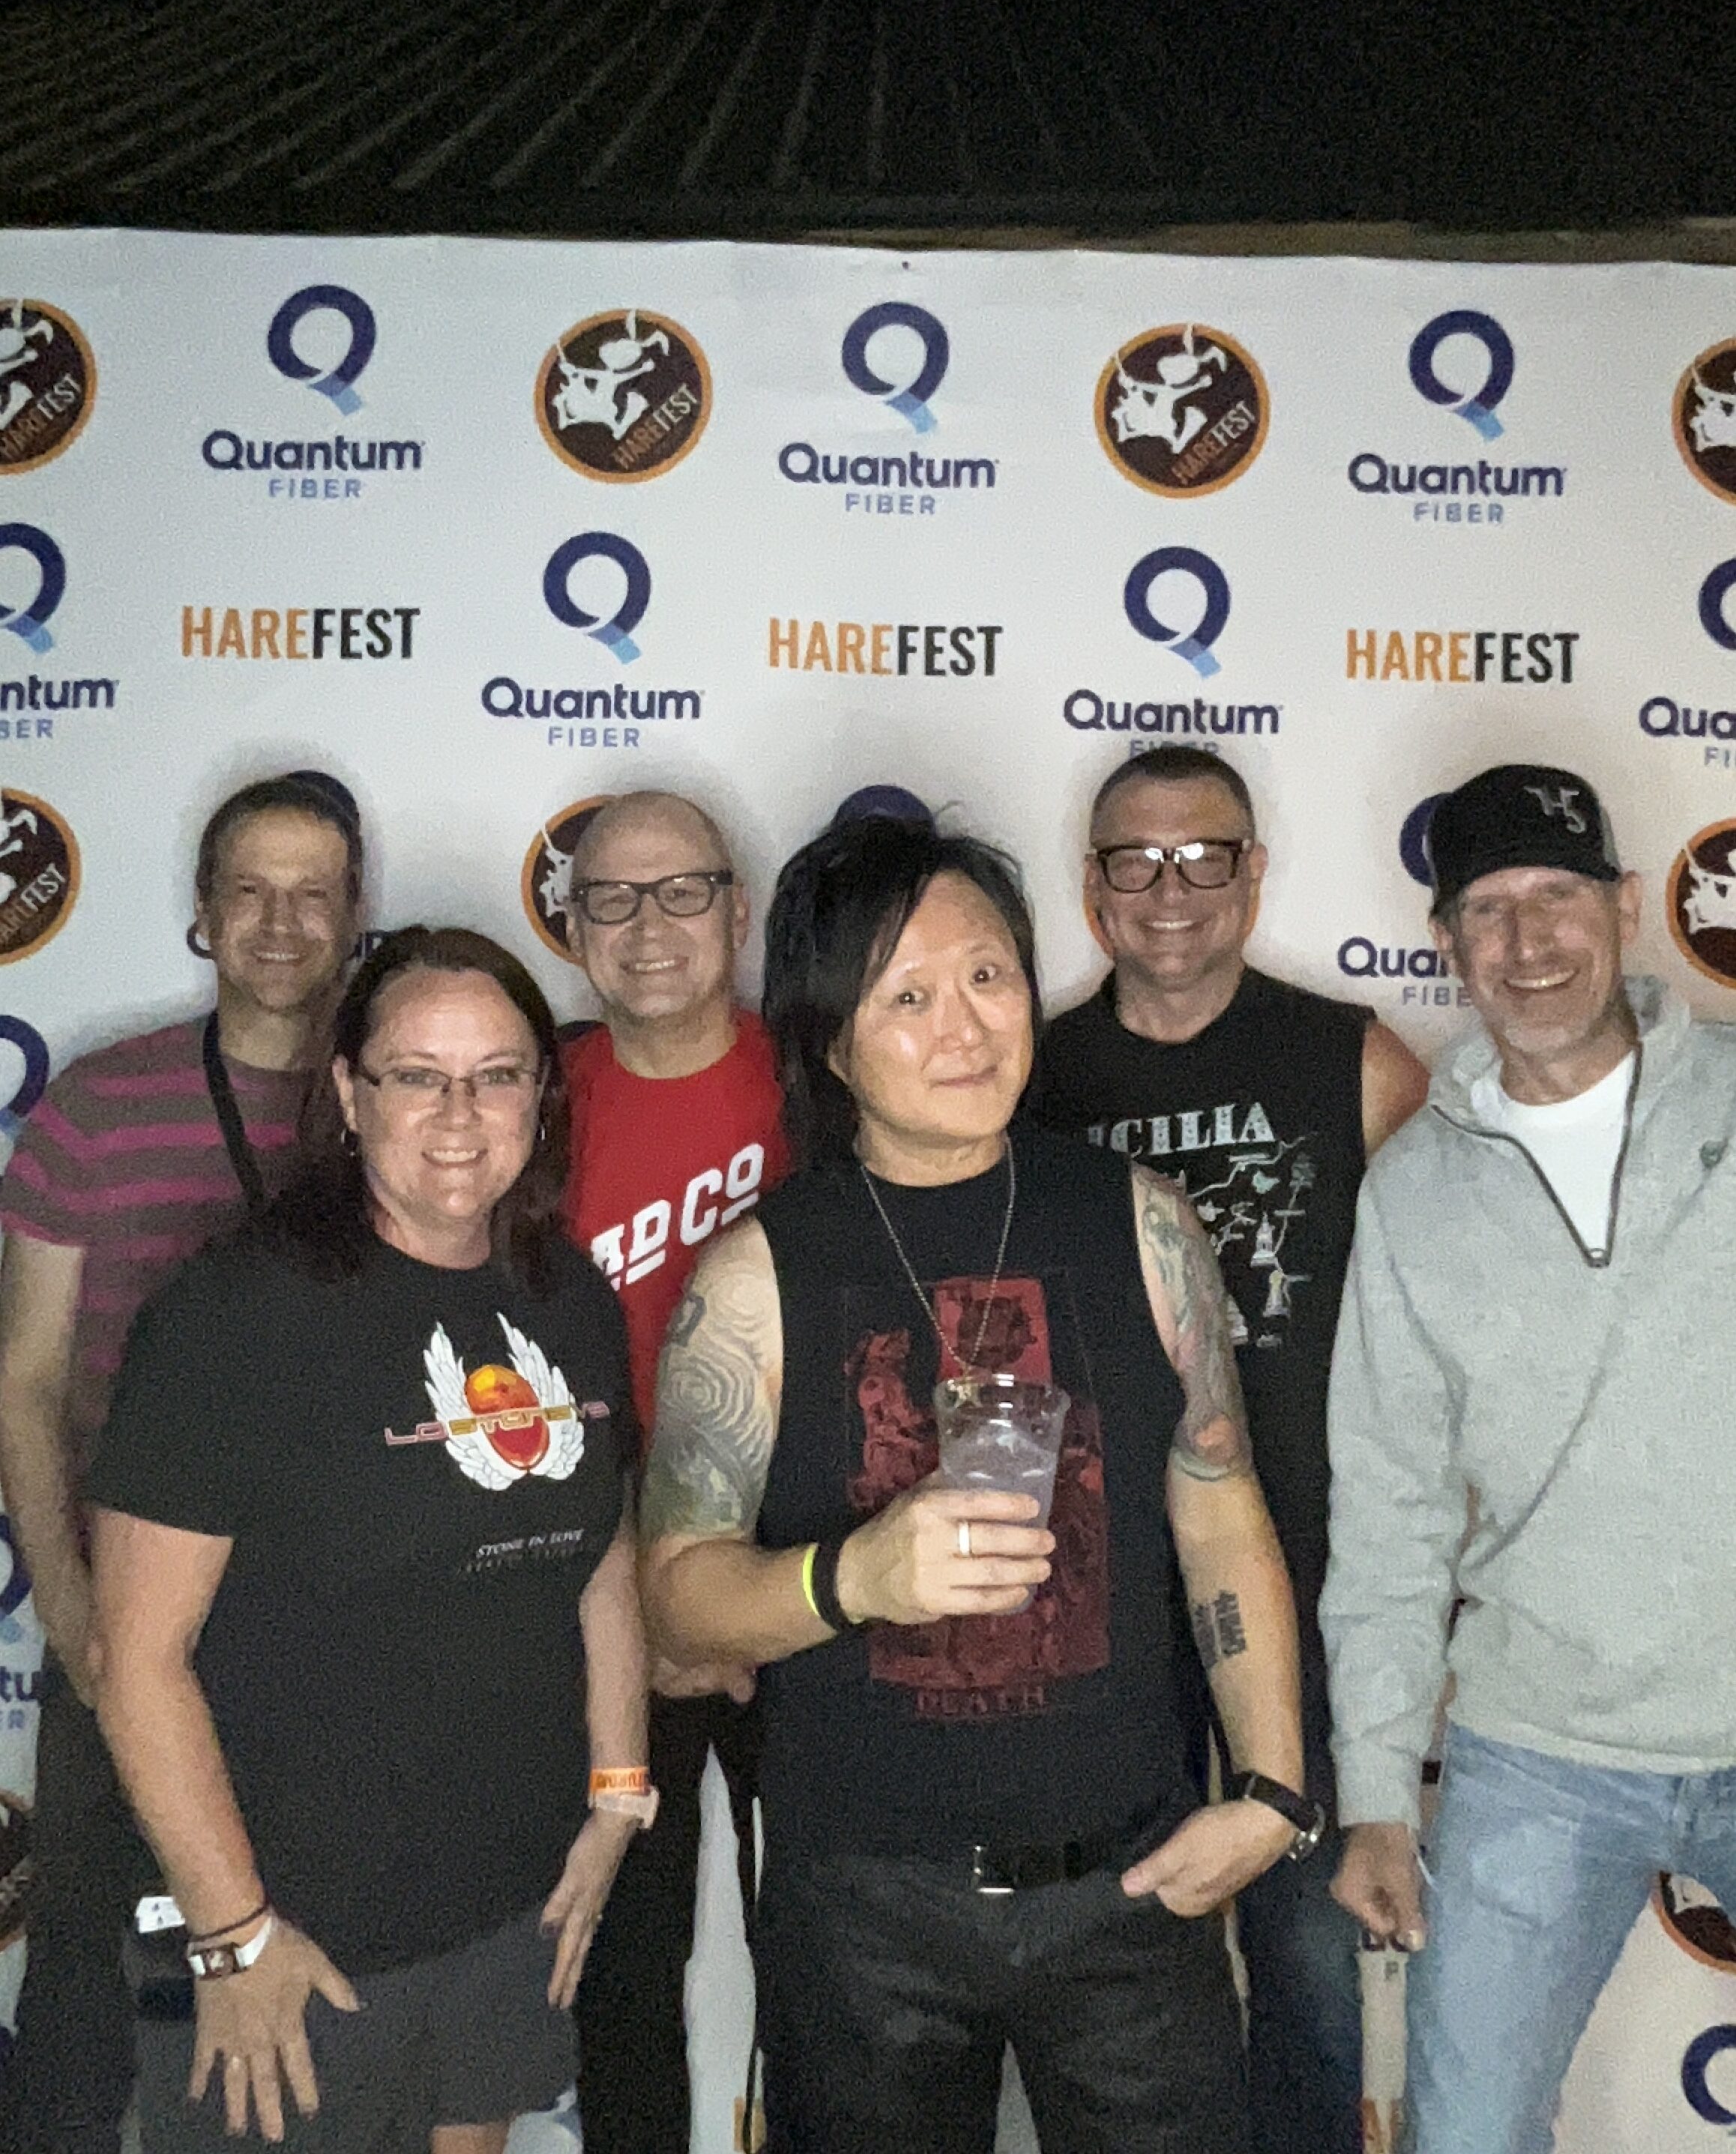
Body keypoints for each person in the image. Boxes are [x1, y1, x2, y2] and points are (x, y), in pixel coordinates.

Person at [640, 812, 1312, 2154]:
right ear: (833, 1041)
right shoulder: (758, 1275)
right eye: (908, 997)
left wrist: (1273, 1790)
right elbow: (675, 1599)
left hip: (1135, 1886)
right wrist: (855, 1577)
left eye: (990, 976)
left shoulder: (1142, 1221)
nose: (965, 1028)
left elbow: (1219, 1507)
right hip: (862, 1914)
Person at [84, 926, 648, 2153]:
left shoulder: (567, 1297)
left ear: (540, 1097)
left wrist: (618, 1795)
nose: (460, 1114)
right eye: (417, 1076)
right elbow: (135, 1660)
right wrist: (233, 1934)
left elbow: (599, 1552)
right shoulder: (235, 1316)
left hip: (510, 1912)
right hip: (292, 1941)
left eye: (498, 1075)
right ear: (348, 1093)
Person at [1321, 764, 1736, 2154]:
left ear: (1626, 906)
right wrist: (1377, 1796)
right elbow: (1390, 1515)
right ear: (1445, 940)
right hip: (1539, 1753)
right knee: (1467, 2136)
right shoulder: (1413, 1192)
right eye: (1487, 909)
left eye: (1557, 895)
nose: (1527, 940)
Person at [1028, 743, 1426, 2154]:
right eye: (1135, 860)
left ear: (1254, 874)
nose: (1170, 889)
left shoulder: (1355, 1057)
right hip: (1102, 1594)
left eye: (1204, 856)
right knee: (1119, 1960)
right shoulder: (1029, 1071)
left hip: (1309, 1578)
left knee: (1311, 1962)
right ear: (1091, 887)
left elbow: (1445, 1320)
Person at [0, 772, 364, 2154]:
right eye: (249, 890)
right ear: (203, 911)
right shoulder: (99, 1104)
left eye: (313, 893)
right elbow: (26, 1382)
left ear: (355, 914)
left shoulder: (400, 1101)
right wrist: (72, 1610)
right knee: (83, 1990)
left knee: (317, 1993)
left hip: (333, 1637)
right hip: (127, 1616)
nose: (281, 922)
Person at [558, 791, 788, 2154]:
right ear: (574, 925)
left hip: (800, 1592)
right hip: (604, 1605)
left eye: (682, 891)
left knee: (827, 1965)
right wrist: (642, 1602)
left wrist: (743, 1601)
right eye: (612, 899)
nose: (648, 927)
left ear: (738, 911)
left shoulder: (826, 1081)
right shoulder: (529, 1096)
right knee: (622, 1970)